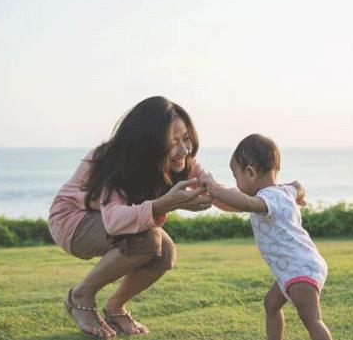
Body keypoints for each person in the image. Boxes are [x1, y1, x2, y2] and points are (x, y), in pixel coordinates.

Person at [48, 96, 218, 338]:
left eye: (186, 138)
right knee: (146, 240)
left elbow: (216, 190)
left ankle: (115, 307)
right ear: (149, 143)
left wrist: (268, 198)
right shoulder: (115, 160)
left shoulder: (180, 161)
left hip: (104, 218)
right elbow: (114, 221)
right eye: (173, 142)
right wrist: (163, 204)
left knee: (165, 253)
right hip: (73, 220)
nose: (184, 149)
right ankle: (80, 297)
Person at [199, 133, 333, 340]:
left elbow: (244, 203)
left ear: (250, 172)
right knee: (271, 304)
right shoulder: (285, 191)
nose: (236, 184)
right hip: (295, 267)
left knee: (311, 319)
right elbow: (298, 185)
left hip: (300, 268)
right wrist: (300, 193)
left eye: (236, 177)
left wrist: (214, 188)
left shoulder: (268, 198)